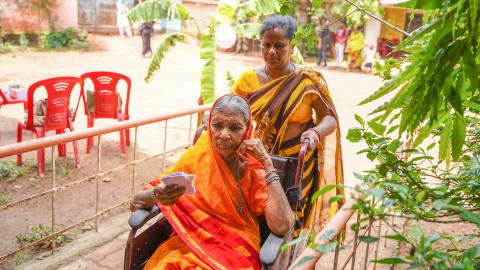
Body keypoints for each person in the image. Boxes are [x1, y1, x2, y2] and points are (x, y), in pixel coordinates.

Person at [130, 94, 293, 269]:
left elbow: (282, 226)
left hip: (236, 250)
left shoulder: (253, 172)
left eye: (235, 128)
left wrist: (267, 164)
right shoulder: (197, 156)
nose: (224, 134)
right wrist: (156, 194)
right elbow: (135, 202)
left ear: (247, 131)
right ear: (209, 125)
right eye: (217, 126)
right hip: (191, 242)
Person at [232, 15, 345, 235]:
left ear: (291, 47)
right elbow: (232, 114)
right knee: (259, 212)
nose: (271, 51)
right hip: (260, 160)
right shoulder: (247, 79)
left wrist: (315, 132)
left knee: (292, 216)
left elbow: (329, 118)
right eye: (266, 45)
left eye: (279, 46)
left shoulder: (307, 80)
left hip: (298, 163)